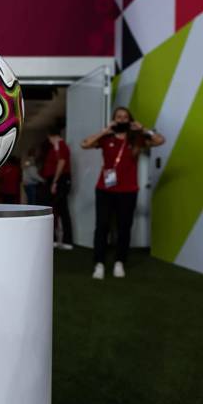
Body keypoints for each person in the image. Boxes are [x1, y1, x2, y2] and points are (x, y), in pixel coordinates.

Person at [81, 107, 165, 279]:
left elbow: (160, 140)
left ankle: (120, 262)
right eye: (118, 117)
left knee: (124, 228)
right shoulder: (106, 138)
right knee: (102, 227)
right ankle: (99, 263)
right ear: (114, 119)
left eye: (125, 117)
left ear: (130, 120)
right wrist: (104, 131)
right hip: (104, 190)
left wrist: (142, 129)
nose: (121, 119)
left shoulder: (137, 139)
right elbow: (85, 144)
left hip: (128, 191)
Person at [41, 125, 73, 250]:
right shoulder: (55, 147)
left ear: (51, 135)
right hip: (53, 180)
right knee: (54, 209)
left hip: (60, 180)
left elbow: (61, 162)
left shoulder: (61, 145)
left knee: (62, 209)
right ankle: (54, 239)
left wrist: (55, 181)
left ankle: (67, 241)